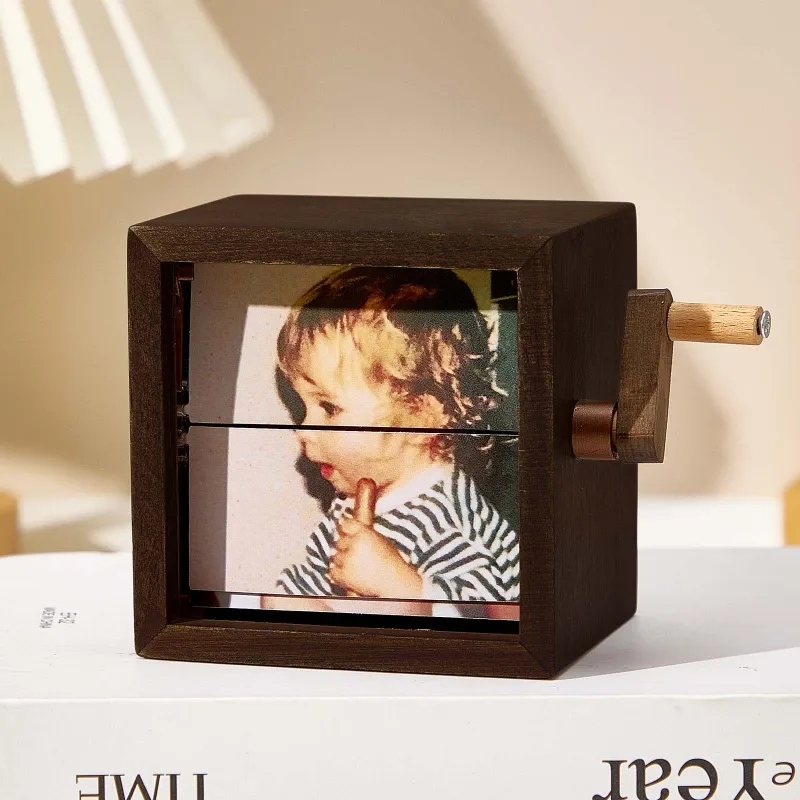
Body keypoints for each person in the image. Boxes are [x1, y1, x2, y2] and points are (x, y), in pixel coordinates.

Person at [263, 266, 519, 615]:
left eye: (329, 408)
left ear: (423, 415)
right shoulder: (353, 503)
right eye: (303, 407)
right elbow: (313, 580)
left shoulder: (448, 520)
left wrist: (405, 590)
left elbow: (485, 621)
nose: (303, 431)